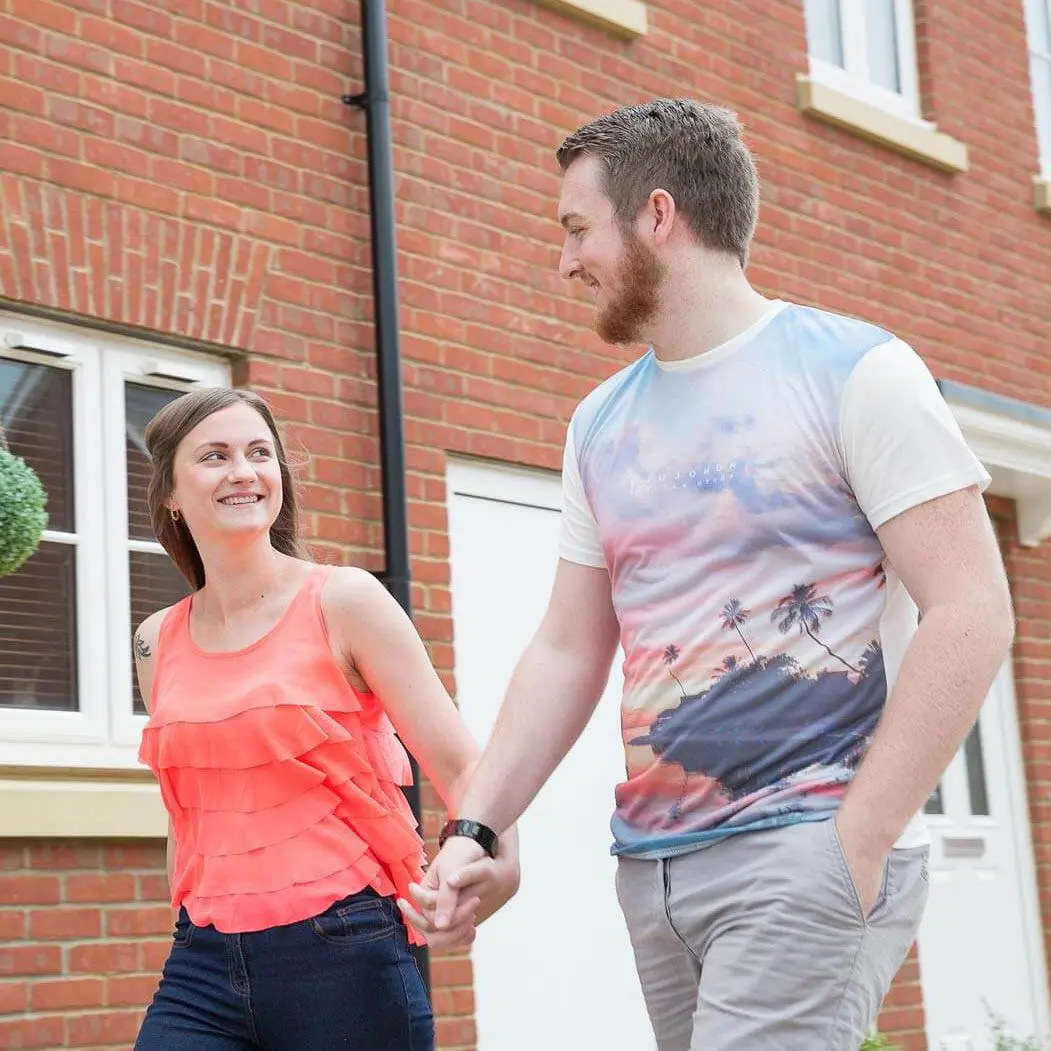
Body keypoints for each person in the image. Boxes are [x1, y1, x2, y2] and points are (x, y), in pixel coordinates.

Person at [407, 99, 1015, 1050]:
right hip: (653, 869)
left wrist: (854, 842)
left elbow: (972, 610)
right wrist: (473, 829)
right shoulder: (598, 424)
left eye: (576, 228)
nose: (564, 261)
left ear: (657, 215)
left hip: (802, 847)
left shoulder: (856, 372)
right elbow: (567, 648)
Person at [132, 387, 518, 1050]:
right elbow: (186, 809)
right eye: (214, 455)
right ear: (170, 491)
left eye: (260, 452)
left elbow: (463, 766)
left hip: (342, 952)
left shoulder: (344, 599)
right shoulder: (155, 639)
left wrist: (502, 869)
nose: (244, 471)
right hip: (201, 961)